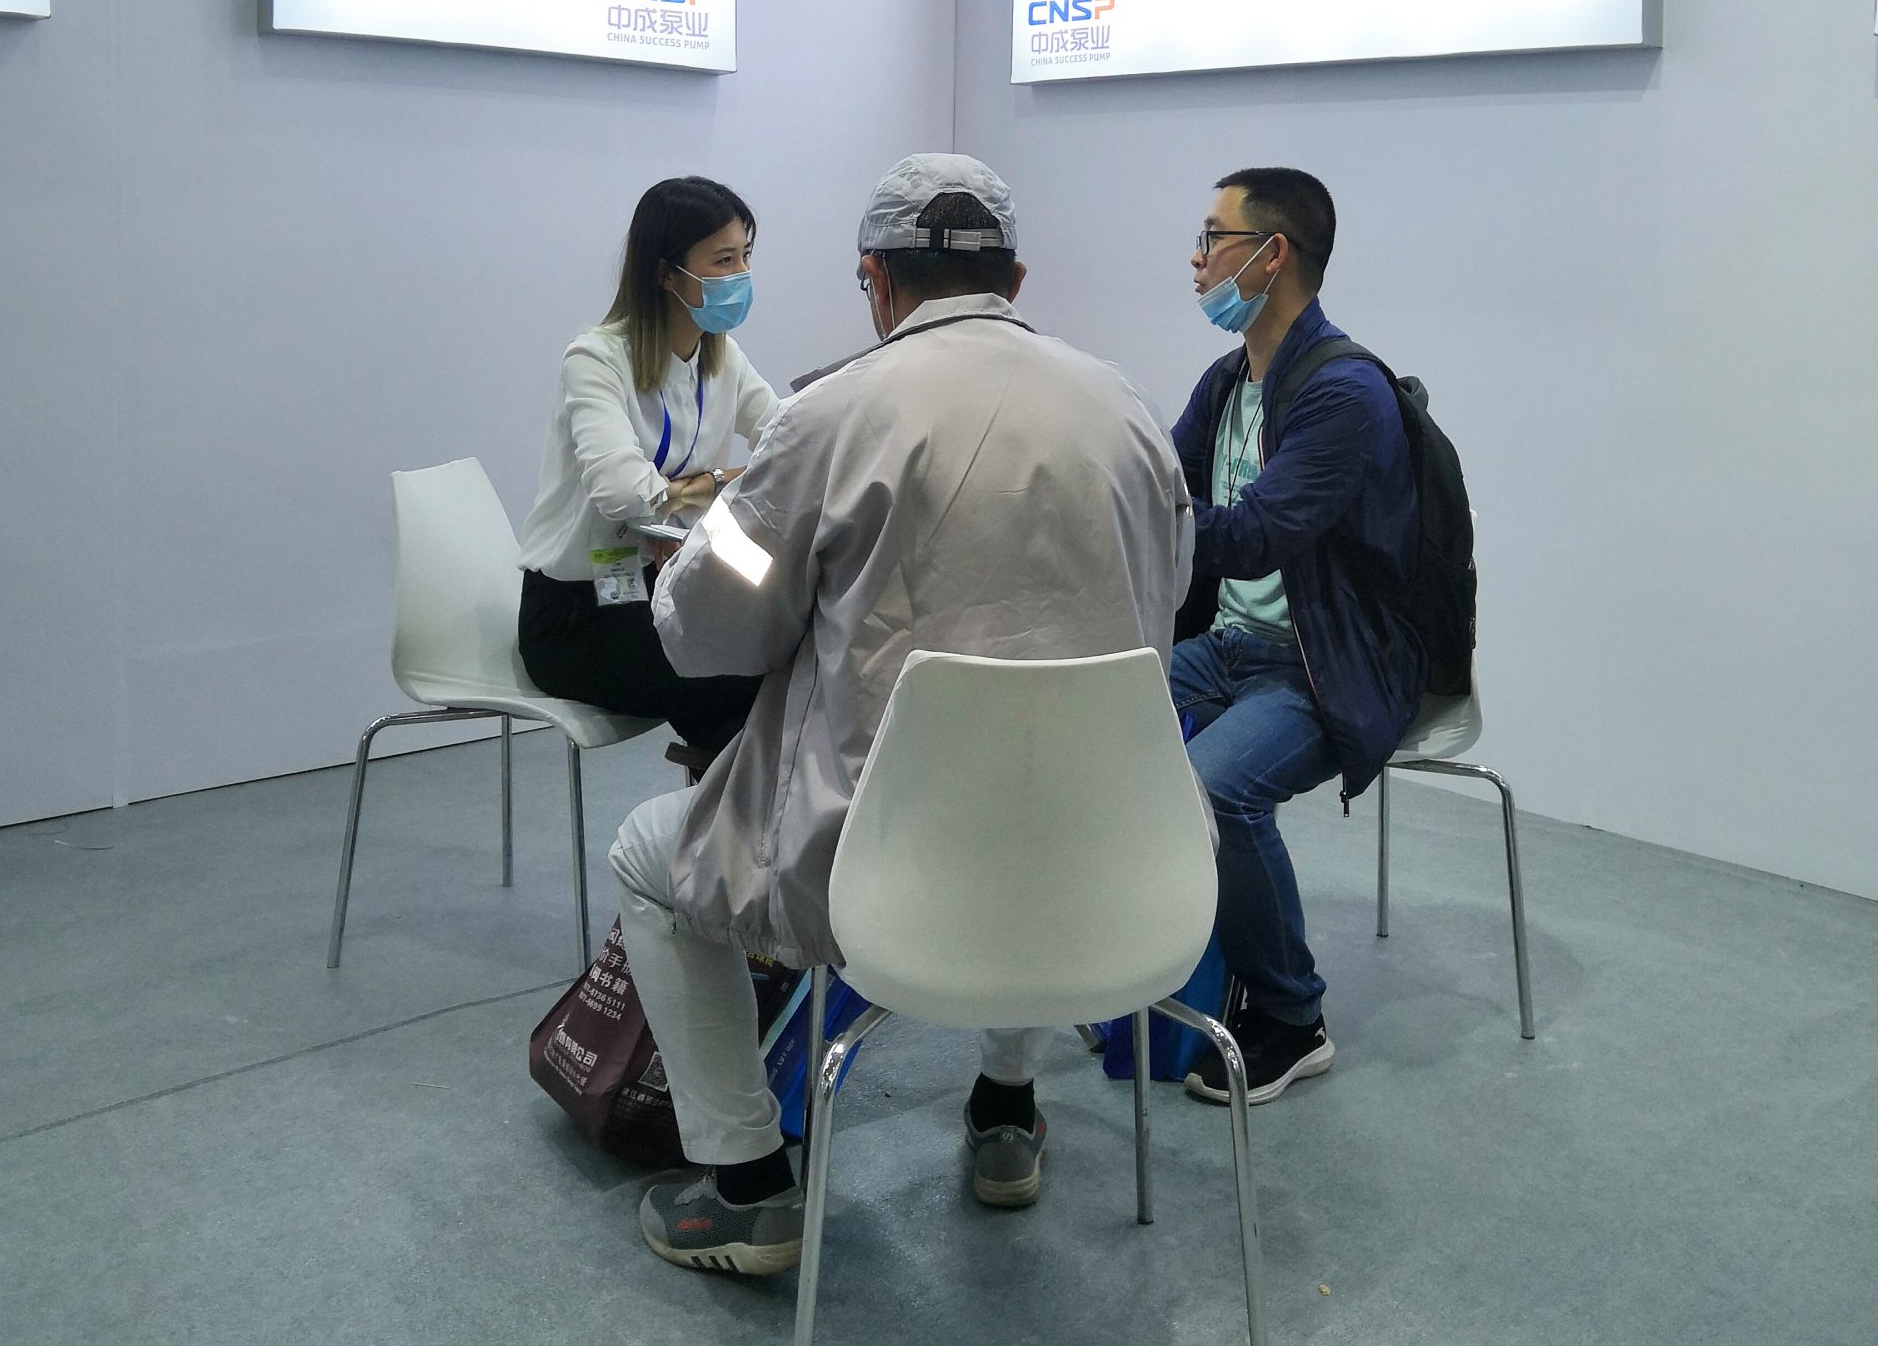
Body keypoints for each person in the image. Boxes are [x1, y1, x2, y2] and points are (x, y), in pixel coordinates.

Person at [608, 154, 1194, 1276]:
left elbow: (704, 631)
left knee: (648, 854)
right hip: (1120, 865)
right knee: (1034, 784)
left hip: (880, 871)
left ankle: (747, 1187)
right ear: (1014, 280)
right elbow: (1168, 596)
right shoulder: (1128, 410)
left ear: (875, 282)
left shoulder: (826, 415)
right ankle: (1008, 1108)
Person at [1169, 167, 1423, 1108]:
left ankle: (1290, 1015)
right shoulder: (1228, 379)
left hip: (1323, 667)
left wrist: (1130, 509)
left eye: (1212, 238)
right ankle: (1134, 962)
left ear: (1271, 255)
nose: (1196, 260)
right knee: (1081, 720)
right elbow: (1168, 485)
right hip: (1228, 647)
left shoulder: (1344, 393)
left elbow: (1250, 537)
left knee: (1216, 789)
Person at [516, 176, 780, 759]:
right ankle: (734, 802)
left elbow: (790, 444)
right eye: (723, 260)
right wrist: (716, 483)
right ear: (666, 274)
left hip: (666, 582)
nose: (741, 274)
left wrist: (696, 488)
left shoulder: (722, 357)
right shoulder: (595, 358)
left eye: (745, 256)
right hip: (578, 614)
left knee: (788, 640)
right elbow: (620, 493)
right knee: (735, 675)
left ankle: (734, 798)